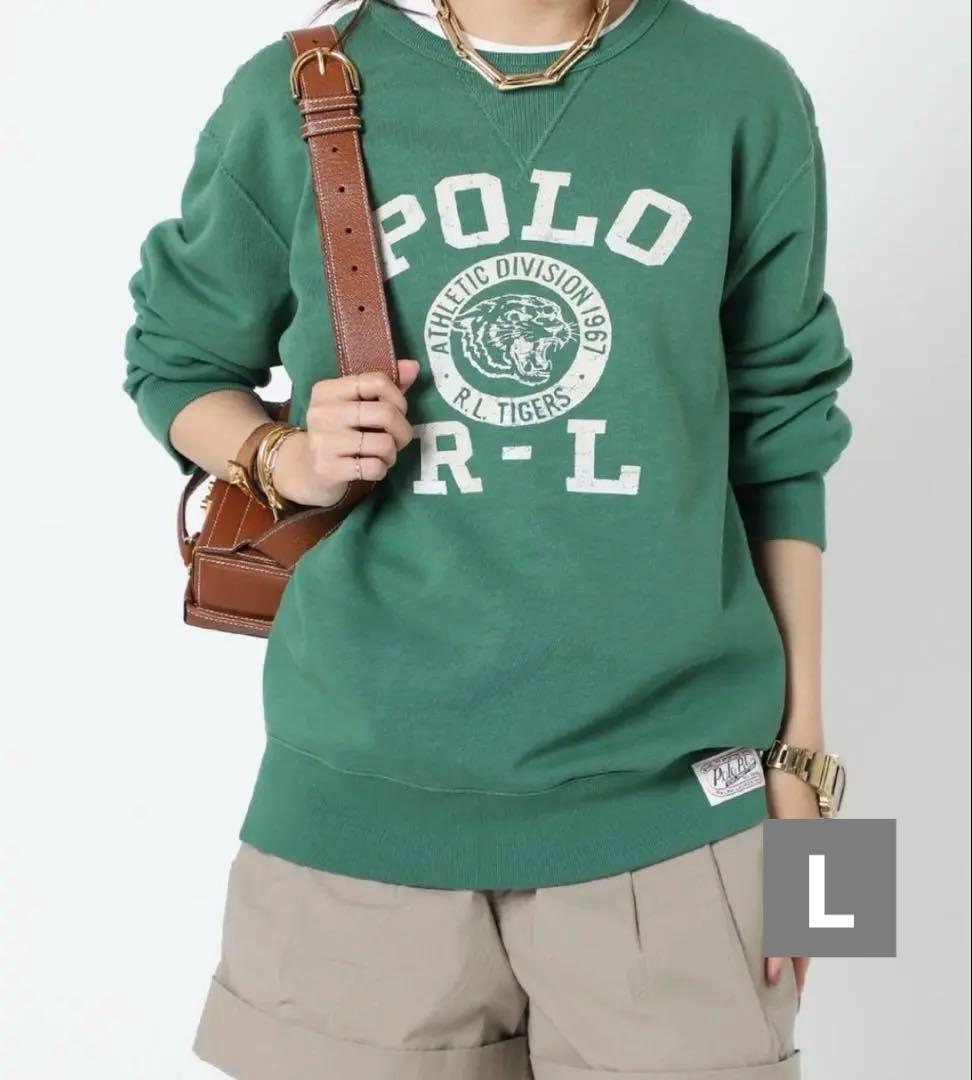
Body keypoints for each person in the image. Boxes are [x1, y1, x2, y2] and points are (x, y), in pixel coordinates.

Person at [123, 1, 852, 1076]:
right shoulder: (289, 92)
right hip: (351, 816)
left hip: (695, 808)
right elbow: (172, 361)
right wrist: (287, 459)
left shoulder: (744, 87)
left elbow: (791, 432)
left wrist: (814, 781)